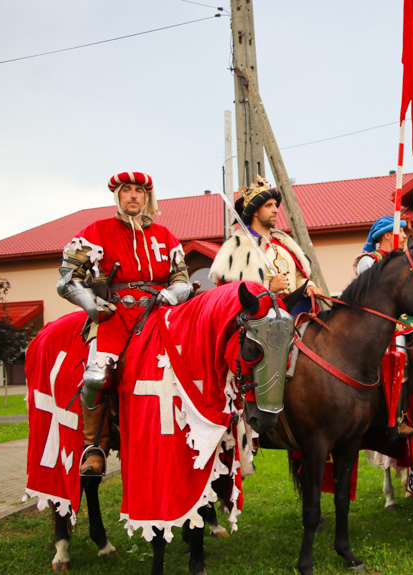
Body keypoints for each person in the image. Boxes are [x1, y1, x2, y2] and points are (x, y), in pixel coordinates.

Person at [57, 171, 193, 476]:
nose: (134, 196)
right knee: (95, 376)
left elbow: (183, 279)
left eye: (139, 191)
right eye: (127, 190)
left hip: (158, 315)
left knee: (191, 366)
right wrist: (91, 304)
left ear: (147, 198)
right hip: (113, 316)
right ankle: (94, 446)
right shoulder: (95, 231)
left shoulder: (166, 236)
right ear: (118, 196)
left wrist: (172, 293)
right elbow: (67, 282)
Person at [209, 176, 324, 306]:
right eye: (269, 205)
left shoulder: (284, 244)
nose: (276, 210)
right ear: (255, 212)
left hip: (292, 312)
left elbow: (297, 279)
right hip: (259, 318)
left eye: (275, 205)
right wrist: (268, 286)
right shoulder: (237, 246)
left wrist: (309, 286)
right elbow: (232, 292)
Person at [353, 216, 413, 439]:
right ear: (388, 235)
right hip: (375, 322)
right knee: (399, 353)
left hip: (405, 318)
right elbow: (371, 296)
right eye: (399, 231)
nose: (403, 238)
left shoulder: (403, 259)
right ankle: (394, 419)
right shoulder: (368, 260)